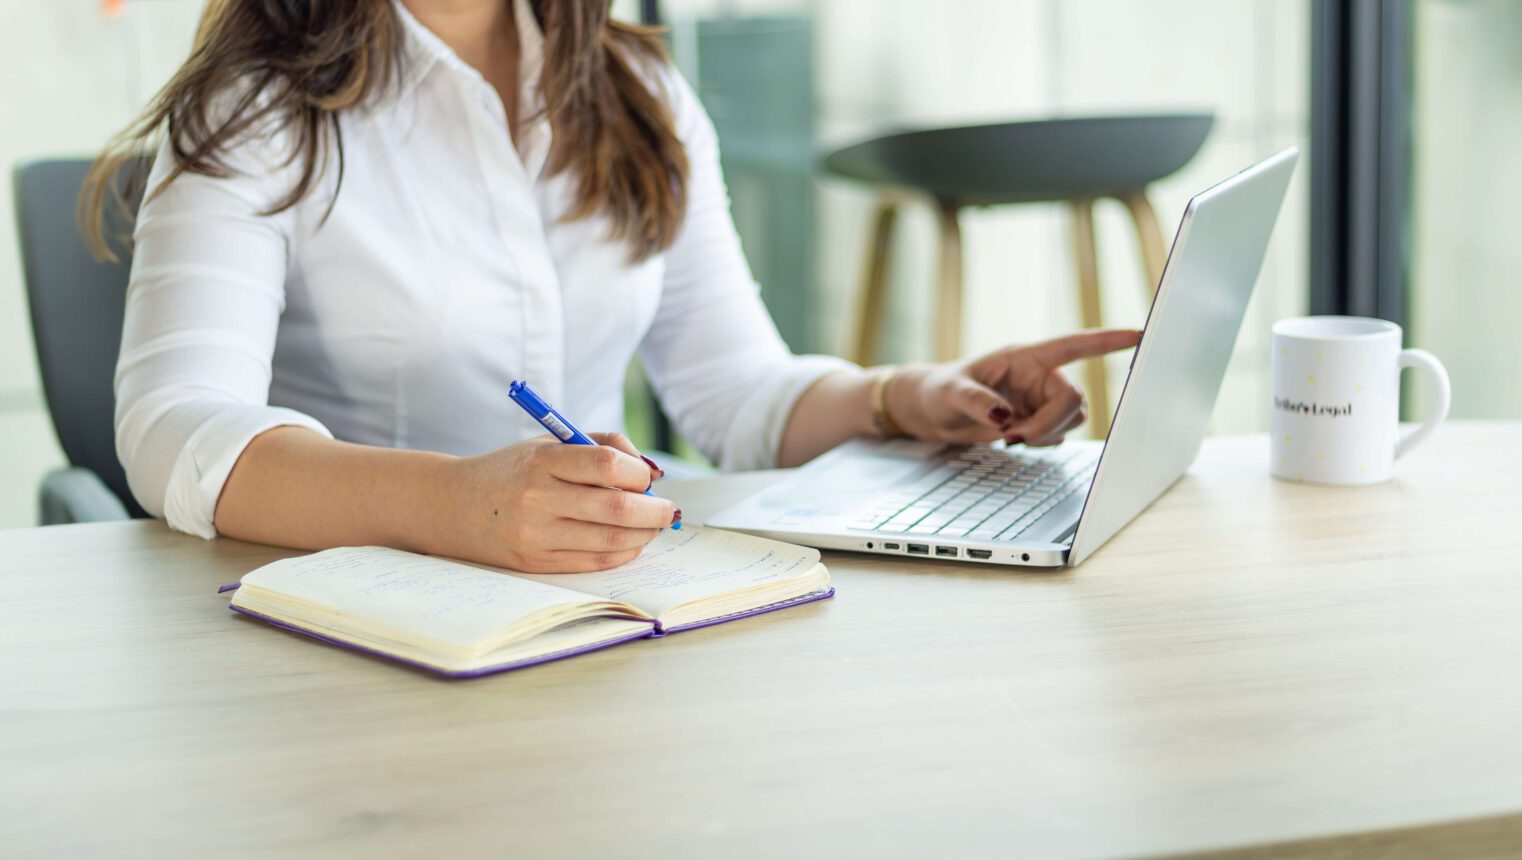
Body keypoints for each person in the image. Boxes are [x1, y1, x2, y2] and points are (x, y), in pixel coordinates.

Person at [84, 0, 1139, 573]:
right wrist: (453, 503)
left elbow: (736, 392)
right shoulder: (254, 111)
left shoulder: (640, 93)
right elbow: (174, 427)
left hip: (605, 595)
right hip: (361, 616)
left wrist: (907, 395)